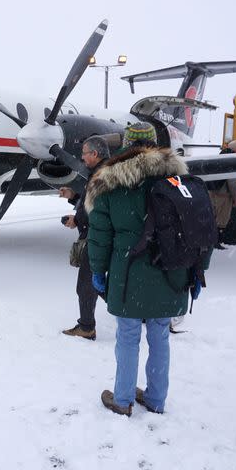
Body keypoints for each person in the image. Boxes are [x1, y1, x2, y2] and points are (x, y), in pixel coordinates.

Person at [85, 121, 200, 416]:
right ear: (153, 142)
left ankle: (122, 400)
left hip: (128, 273)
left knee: (128, 335)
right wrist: (198, 271)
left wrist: (97, 270)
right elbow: (198, 227)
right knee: (160, 334)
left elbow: (100, 235)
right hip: (171, 269)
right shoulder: (178, 179)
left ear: (126, 142)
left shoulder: (109, 182)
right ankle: (156, 398)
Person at [59, 135, 112, 341]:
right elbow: (91, 204)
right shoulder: (102, 173)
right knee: (96, 283)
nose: (82, 158)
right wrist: (73, 197)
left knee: (86, 284)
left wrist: (77, 220)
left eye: (84, 154)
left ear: (95, 154)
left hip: (96, 237)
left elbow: (96, 210)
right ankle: (136, 311)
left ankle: (87, 327)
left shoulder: (101, 176)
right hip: (98, 235)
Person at [206, 140, 236, 249]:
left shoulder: (220, 157)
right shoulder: (231, 160)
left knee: (212, 217)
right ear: (233, 149)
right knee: (220, 220)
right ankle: (215, 242)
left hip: (212, 191)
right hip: (223, 195)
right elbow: (232, 182)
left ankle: (211, 240)